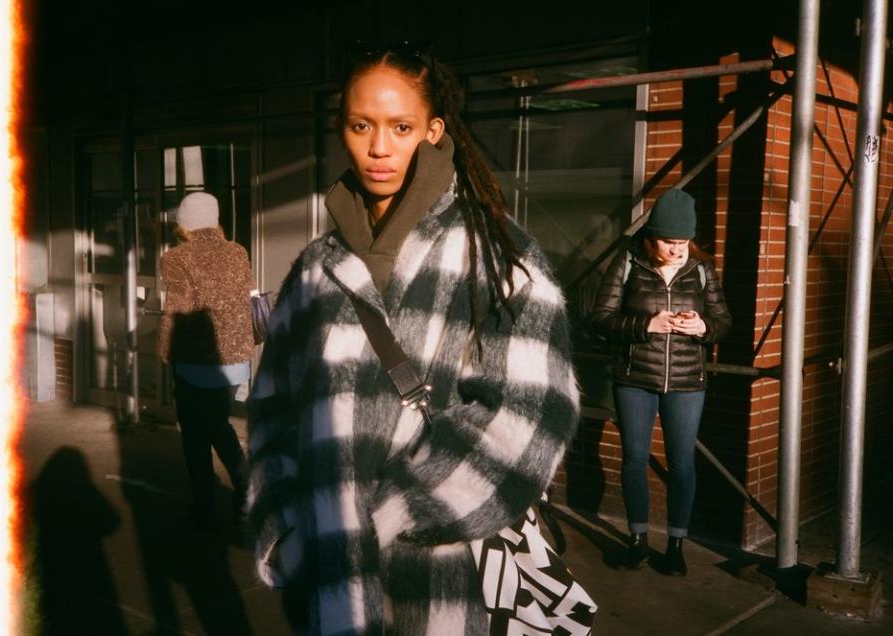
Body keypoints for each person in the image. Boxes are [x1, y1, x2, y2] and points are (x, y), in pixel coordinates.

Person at [244, 46, 580, 634]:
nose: (379, 148)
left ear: (433, 131)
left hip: (444, 587)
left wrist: (388, 517)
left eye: (400, 127)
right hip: (325, 590)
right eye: (361, 126)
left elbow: (532, 417)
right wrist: (286, 530)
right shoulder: (314, 268)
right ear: (341, 129)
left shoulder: (496, 255)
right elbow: (273, 407)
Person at [591, 188, 732, 576]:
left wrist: (703, 327)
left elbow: (723, 323)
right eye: (670, 242)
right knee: (635, 460)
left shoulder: (703, 271)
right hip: (635, 379)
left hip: (688, 382)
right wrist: (645, 325)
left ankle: (675, 545)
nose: (678, 249)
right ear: (652, 237)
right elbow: (599, 318)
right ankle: (637, 541)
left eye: (684, 241)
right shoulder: (628, 264)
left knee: (682, 463)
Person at [158, 191, 255, 531]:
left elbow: (179, 312)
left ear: (185, 222)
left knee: (196, 435)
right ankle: (245, 494)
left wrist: (165, 352)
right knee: (219, 426)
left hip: (196, 363)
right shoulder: (237, 252)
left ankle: (207, 505)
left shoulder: (175, 258)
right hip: (236, 361)